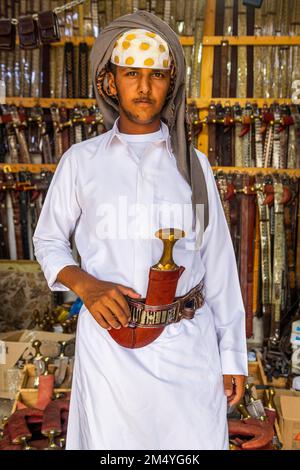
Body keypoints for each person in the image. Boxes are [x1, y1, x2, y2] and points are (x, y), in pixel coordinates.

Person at [33, 10, 247, 450]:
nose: (145, 87)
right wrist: (85, 284)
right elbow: (48, 239)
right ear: (110, 82)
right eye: (132, 73)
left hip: (186, 348)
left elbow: (219, 264)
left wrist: (233, 358)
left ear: (172, 83)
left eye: (157, 75)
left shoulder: (194, 167)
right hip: (110, 354)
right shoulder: (81, 162)